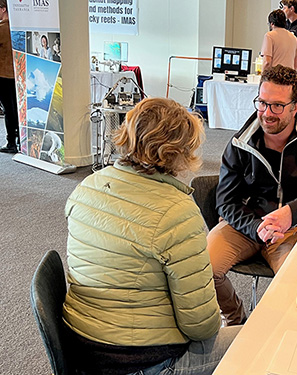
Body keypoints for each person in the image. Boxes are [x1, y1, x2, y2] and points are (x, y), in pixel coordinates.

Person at [63, 98, 241, 375]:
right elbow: (201, 325)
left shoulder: (89, 186)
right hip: (142, 362)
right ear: (180, 151)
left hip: (82, 346)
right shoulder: (177, 212)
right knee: (260, 339)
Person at [208, 65, 297, 326]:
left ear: (295, 107)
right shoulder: (242, 141)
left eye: (277, 106)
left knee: (295, 286)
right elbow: (225, 201)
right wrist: (257, 226)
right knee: (202, 268)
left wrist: (291, 212)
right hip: (247, 224)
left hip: (292, 229)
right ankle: (237, 323)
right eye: (262, 102)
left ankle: (272, 333)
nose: (266, 113)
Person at [0, 0, 19, 153]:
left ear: (4, 9)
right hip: (15, 74)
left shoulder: (2, 28)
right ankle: (18, 139)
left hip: (3, 75)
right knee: (15, 108)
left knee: (9, 110)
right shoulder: (15, 27)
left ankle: (11, 142)